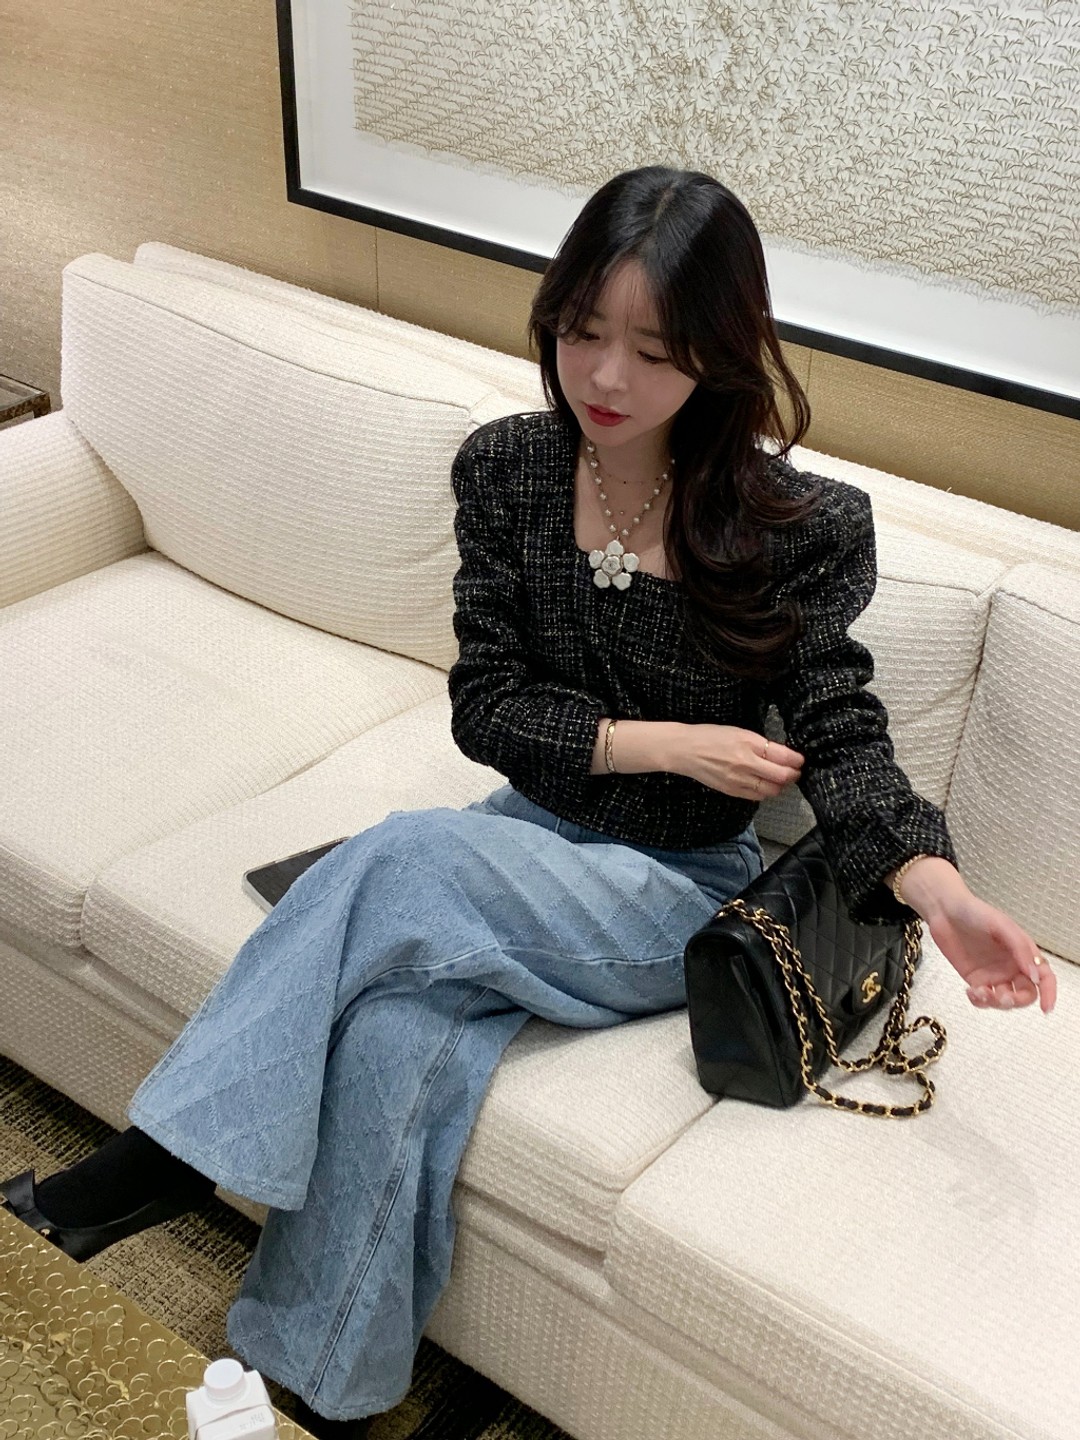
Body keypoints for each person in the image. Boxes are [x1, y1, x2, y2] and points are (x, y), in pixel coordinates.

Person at [1, 167, 1056, 1438]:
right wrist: (661, 740)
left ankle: (154, 1165)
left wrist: (937, 890)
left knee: (399, 857)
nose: (604, 376)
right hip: (521, 840)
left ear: (719, 353)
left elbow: (842, 735)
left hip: (670, 889)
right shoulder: (507, 470)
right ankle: (326, 1388)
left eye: (652, 350)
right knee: (395, 1033)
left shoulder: (794, 526)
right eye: (581, 331)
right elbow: (484, 707)